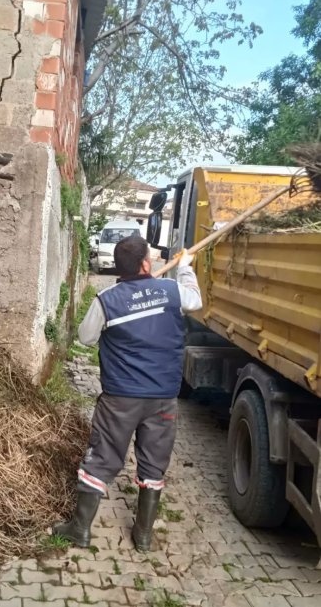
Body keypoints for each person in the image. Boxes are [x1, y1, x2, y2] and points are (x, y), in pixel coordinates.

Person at [53, 236, 202, 552]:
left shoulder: (107, 300)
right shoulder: (171, 290)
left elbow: (86, 338)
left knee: (103, 457)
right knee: (154, 460)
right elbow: (195, 301)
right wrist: (186, 268)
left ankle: (80, 529)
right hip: (163, 397)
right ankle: (144, 536)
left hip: (120, 398)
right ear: (146, 263)